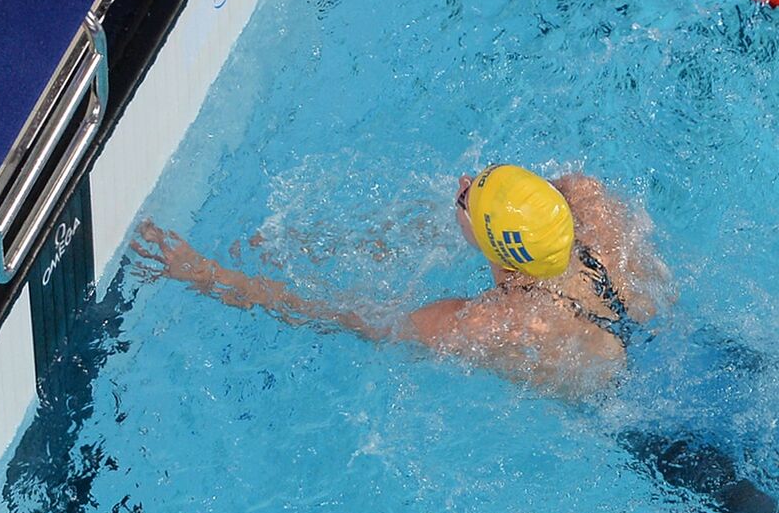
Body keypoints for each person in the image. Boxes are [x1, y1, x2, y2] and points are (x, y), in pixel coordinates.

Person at [133, 164, 668, 400]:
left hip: (647, 426)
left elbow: (331, 315)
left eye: (468, 198)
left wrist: (203, 274)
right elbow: (556, 195)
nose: (462, 182)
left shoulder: (493, 322)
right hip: (684, 350)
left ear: (495, 250)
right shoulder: (597, 214)